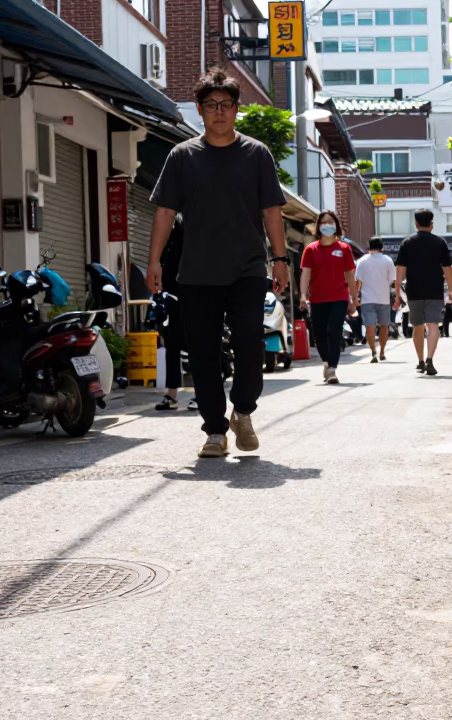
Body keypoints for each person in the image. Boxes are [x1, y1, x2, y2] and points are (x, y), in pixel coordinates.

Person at [147, 70, 290, 458]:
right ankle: (215, 431)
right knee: (204, 354)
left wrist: (280, 259)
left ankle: (242, 410)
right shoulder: (182, 156)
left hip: (247, 269)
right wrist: (154, 261)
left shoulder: (257, 154)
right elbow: (164, 212)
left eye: (226, 105)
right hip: (196, 273)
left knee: (250, 343)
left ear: (237, 109)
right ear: (199, 110)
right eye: (211, 105)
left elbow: (272, 211)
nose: (219, 112)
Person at [393, 209, 452, 377]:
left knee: (417, 326)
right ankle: (430, 359)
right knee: (433, 325)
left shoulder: (407, 242)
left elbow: (400, 270)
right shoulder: (440, 242)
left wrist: (397, 293)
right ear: (432, 224)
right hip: (435, 290)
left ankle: (420, 361)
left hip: (414, 291)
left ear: (416, 224)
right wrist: (451, 289)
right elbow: (447, 268)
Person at [299, 210, 358, 384]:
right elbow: (305, 274)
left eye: (330, 222)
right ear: (318, 226)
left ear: (336, 225)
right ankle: (326, 361)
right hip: (317, 298)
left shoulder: (344, 249)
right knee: (319, 334)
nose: (327, 225)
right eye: (323, 222)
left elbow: (350, 275)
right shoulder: (311, 249)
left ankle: (332, 368)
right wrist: (303, 295)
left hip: (339, 297)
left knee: (334, 331)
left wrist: (355, 298)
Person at [154, 216, 197, 412]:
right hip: (173, 294)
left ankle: (200, 394)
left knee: (196, 345)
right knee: (172, 345)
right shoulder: (172, 228)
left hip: (197, 293)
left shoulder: (199, 225)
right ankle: (171, 395)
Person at [355, 237, 396, 362]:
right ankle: (382, 351)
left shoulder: (362, 261)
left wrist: (355, 296)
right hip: (384, 299)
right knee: (384, 326)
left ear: (369, 247)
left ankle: (373, 352)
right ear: (381, 247)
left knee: (370, 327)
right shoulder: (388, 260)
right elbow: (392, 280)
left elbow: (358, 281)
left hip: (367, 299)